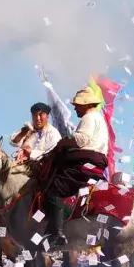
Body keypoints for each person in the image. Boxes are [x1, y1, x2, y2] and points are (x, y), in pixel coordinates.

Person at [41, 81, 109, 247]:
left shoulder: (88, 117)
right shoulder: (98, 118)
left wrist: (65, 142)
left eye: (77, 105)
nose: (75, 108)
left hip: (84, 165)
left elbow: (81, 139)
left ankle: (56, 234)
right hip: (95, 165)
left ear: (85, 105)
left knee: (53, 190)